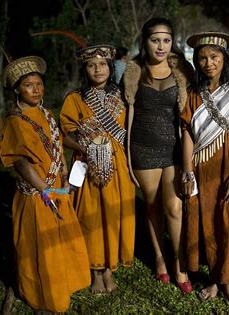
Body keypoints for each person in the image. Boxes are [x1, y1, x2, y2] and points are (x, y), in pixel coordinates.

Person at [0, 55, 91, 313]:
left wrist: (68, 159)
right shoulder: (15, 122)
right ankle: (45, 296)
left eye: (39, 84)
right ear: (17, 89)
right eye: (29, 85)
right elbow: (20, 162)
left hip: (57, 188)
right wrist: (44, 189)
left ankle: (67, 283)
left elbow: (57, 142)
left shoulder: (46, 113)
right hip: (38, 193)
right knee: (41, 247)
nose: (36, 89)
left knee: (62, 240)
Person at [181, 32, 229, 310]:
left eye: (214, 57)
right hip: (201, 167)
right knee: (206, 222)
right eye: (202, 57)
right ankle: (214, 277)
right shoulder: (192, 93)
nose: (208, 63)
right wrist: (187, 171)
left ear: (224, 58)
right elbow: (187, 131)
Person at [122, 17, 194, 294]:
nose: (161, 46)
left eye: (166, 40)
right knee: (152, 208)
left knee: (174, 208)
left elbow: (189, 111)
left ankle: (179, 262)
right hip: (142, 147)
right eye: (155, 40)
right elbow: (124, 112)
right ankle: (160, 258)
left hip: (174, 149)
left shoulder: (181, 70)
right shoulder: (133, 71)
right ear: (145, 41)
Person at [59, 45, 136, 294]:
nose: (98, 69)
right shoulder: (75, 98)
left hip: (117, 163)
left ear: (110, 67)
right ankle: (95, 272)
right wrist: (84, 145)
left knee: (113, 216)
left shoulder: (123, 96)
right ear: (85, 69)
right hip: (88, 163)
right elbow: (64, 132)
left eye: (102, 64)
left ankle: (108, 270)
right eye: (92, 65)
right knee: (90, 217)